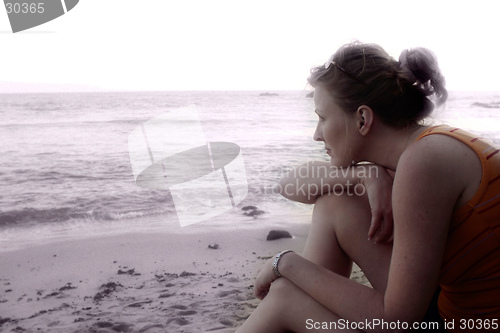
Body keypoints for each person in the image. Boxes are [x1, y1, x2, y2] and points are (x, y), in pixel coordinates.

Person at [236, 41, 500, 332]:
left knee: (285, 298)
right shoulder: (420, 149)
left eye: (323, 118)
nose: (316, 134)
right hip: (448, 311)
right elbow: (289, 185)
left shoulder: (423, 162)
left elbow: (395, 320)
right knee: (335, 203)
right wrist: (365, 176)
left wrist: (285, 263)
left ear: (362, 118)